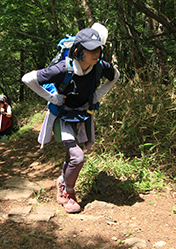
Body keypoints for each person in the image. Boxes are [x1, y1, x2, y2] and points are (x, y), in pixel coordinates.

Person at [22, 27, 120, 213]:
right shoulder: (62, 69)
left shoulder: (99, 66)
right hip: (62, 117)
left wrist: (98, 95)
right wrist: (53, 98)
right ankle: (69, 194)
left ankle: (62, 182)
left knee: (72, 155)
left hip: (83, 116)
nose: (96, 53)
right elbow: (27, 79)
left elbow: (116, 76)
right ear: (77, 51)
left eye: (98, 48)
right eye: (90, 49)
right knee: (77, 156)